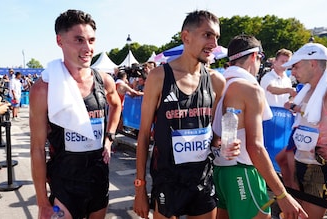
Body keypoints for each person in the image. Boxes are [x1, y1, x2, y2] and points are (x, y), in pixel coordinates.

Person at [134, 10, 228, 219]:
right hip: (168, 182)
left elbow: (213, 132)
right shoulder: (159, 77)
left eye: (216, 37)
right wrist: (140, 188)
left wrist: (222, 143)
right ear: (186, 36)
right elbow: (143, 136)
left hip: (202, 180)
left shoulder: (216, 81)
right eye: (207, 35)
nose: (214, 43)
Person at [29, 9, 121, 219]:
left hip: (98, 179)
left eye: (91, 40)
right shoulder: (44, 88)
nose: (88, 48)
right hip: (65, 185)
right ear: (59, 41)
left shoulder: (104, 80)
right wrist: (42, 202)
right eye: (79, 40)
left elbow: (116, 105)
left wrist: (109, 137)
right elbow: (36, 148)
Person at [211, 34, 307, 219]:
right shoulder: (249, 88)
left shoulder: (221, 83)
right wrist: (282, 194)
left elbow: (220, 132)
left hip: (221, 171)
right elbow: (254, 146)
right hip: (243, 170)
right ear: (255, 56)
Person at [281, 42, 327, 219]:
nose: (292, 72)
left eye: (295, 66)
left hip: (321, 168)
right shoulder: (308, 89)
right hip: (301, 163)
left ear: (312, 63)